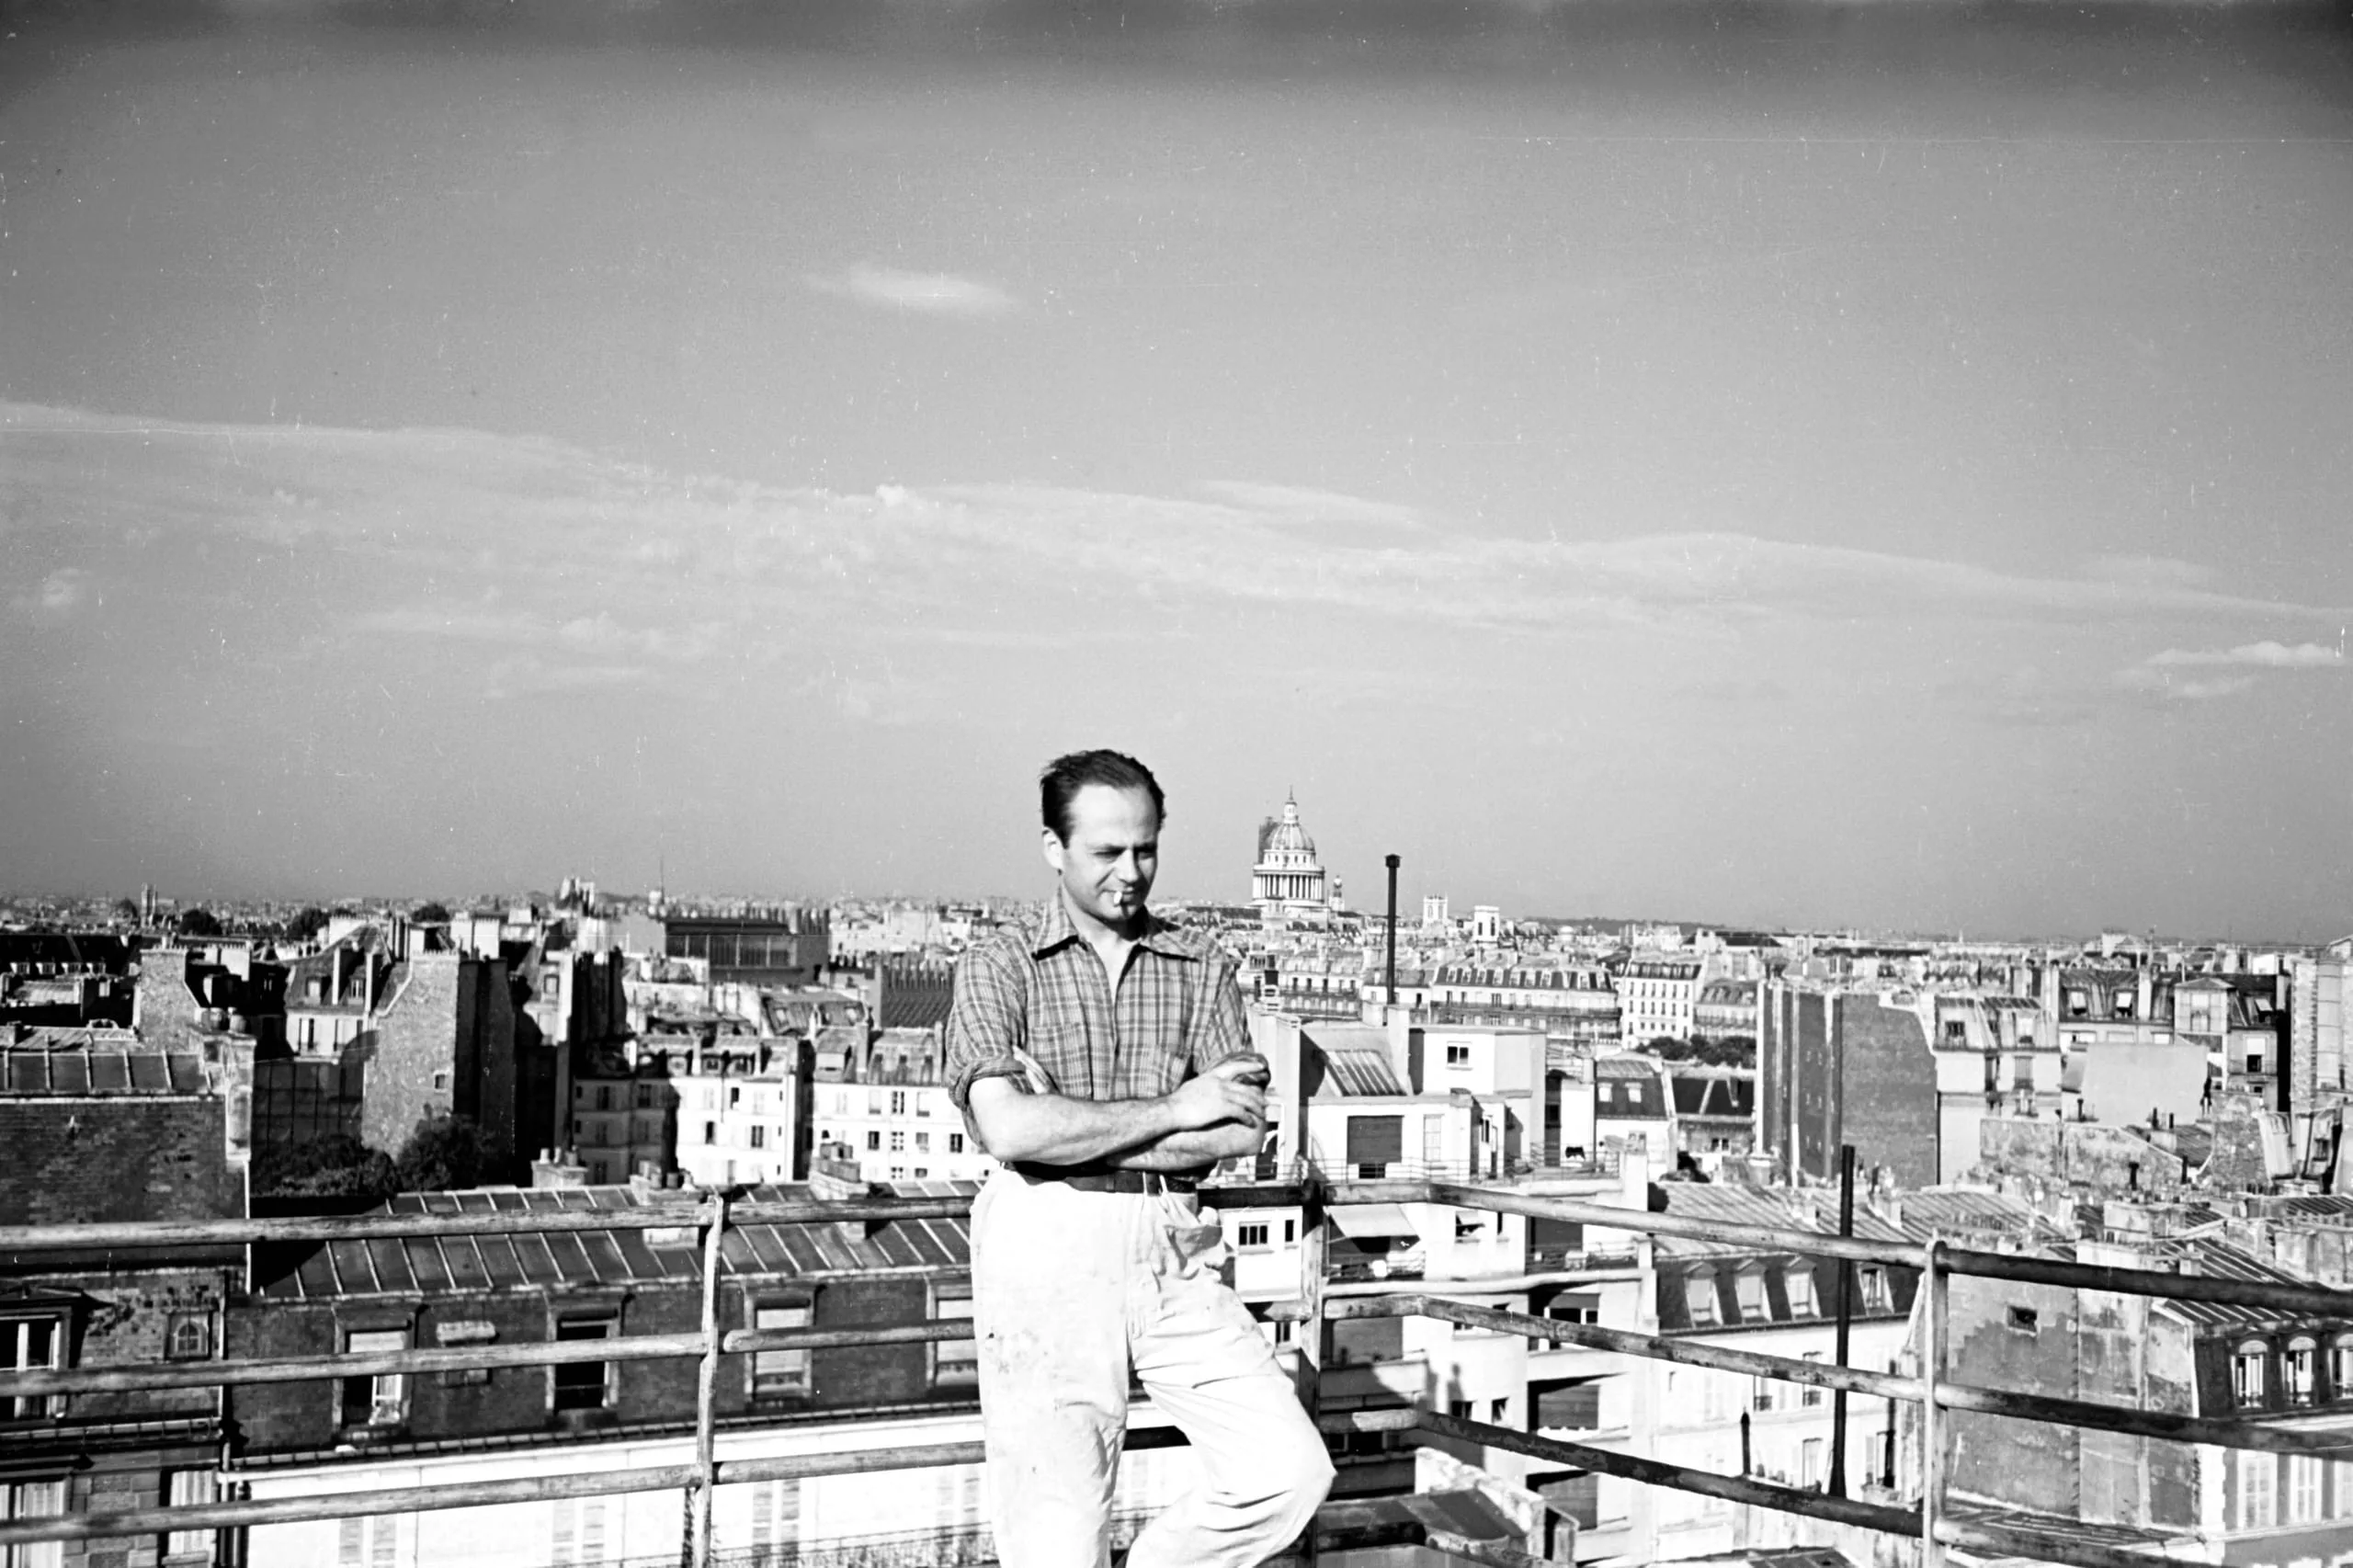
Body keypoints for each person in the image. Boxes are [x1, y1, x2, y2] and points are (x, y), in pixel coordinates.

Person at [945, 749, 1335, 1568]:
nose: (1131, 872)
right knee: (1057, 1533)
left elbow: (1239, 1131)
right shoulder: (999, 964)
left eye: (1145, 849)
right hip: (1046, 1245)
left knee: (1286, 1471)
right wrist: (1177, 1108)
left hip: (1171, 1243)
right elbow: (1007, 1129)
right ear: (1053, 848)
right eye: (1106, 851)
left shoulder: (1202, 964)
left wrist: (1070, 1123)